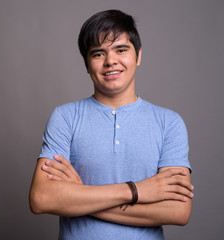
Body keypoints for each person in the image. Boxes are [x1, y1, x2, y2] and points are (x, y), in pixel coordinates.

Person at [29, 9, 193, 240]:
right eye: (98, 53)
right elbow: (41, 199)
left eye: (121, 49)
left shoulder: (169, 123)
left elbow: (178, 211)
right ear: (87, 64)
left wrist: (81, 195)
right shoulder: (65, 117)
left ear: (138, 56)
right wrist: (136, 190)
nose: (110, 61)